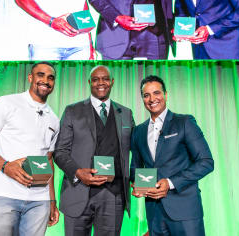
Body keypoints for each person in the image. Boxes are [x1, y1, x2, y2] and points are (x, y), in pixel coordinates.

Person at [0, 62, 60, 236]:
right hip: (4, 195)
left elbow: (48, 160)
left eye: (50, 77)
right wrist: (5, 166)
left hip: (39, 201)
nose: (45, 80)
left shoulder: (54, 119)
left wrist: (51, 200)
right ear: (30, 78)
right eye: (40, 75)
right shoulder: (7, 103)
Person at [53, 65, 135, 235]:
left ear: (112, 82)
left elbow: (137, 149)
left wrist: (140, 179)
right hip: (78, 192)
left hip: (113, 194)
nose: (101, 83)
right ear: (89, 82)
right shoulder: (72, 110)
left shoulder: (126, 113)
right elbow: (60, 151)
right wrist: (77, 172)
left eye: (105, 78)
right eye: (96, 79)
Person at [130, 75, 214, 235]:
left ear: (165, 95)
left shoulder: (184, 122)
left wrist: (170, 183)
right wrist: (137, 184)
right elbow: (135, 167)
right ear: (142, 98)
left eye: (156, 93)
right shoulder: (138, 131)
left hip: (185, 211)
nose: (152, 99)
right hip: (154, 213)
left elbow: (206, 162)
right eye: (146, 95)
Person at [88, 0, 174, 60]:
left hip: (155, 33)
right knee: (117, 83)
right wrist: (116, 17)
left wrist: (176, 22)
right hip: (115, 32)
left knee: (155, 83)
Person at [174, 0, 239, 59]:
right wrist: (181, 30)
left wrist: (210, 29)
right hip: (200, 49)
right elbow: (181, 8)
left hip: (229, 48)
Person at [14, 0, 93, 60]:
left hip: (80, 46)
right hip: (45, 45)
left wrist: (90, 46)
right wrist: (50, 21)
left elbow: (83, 9)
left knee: (79, 82)